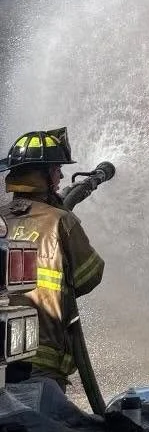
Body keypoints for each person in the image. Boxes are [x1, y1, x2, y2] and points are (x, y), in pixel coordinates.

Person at [0, 128, 105, 388]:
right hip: (41, 358)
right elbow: (89, 277)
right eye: (57, 169)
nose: (61, 176)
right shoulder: (60, 221)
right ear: (43, 175)